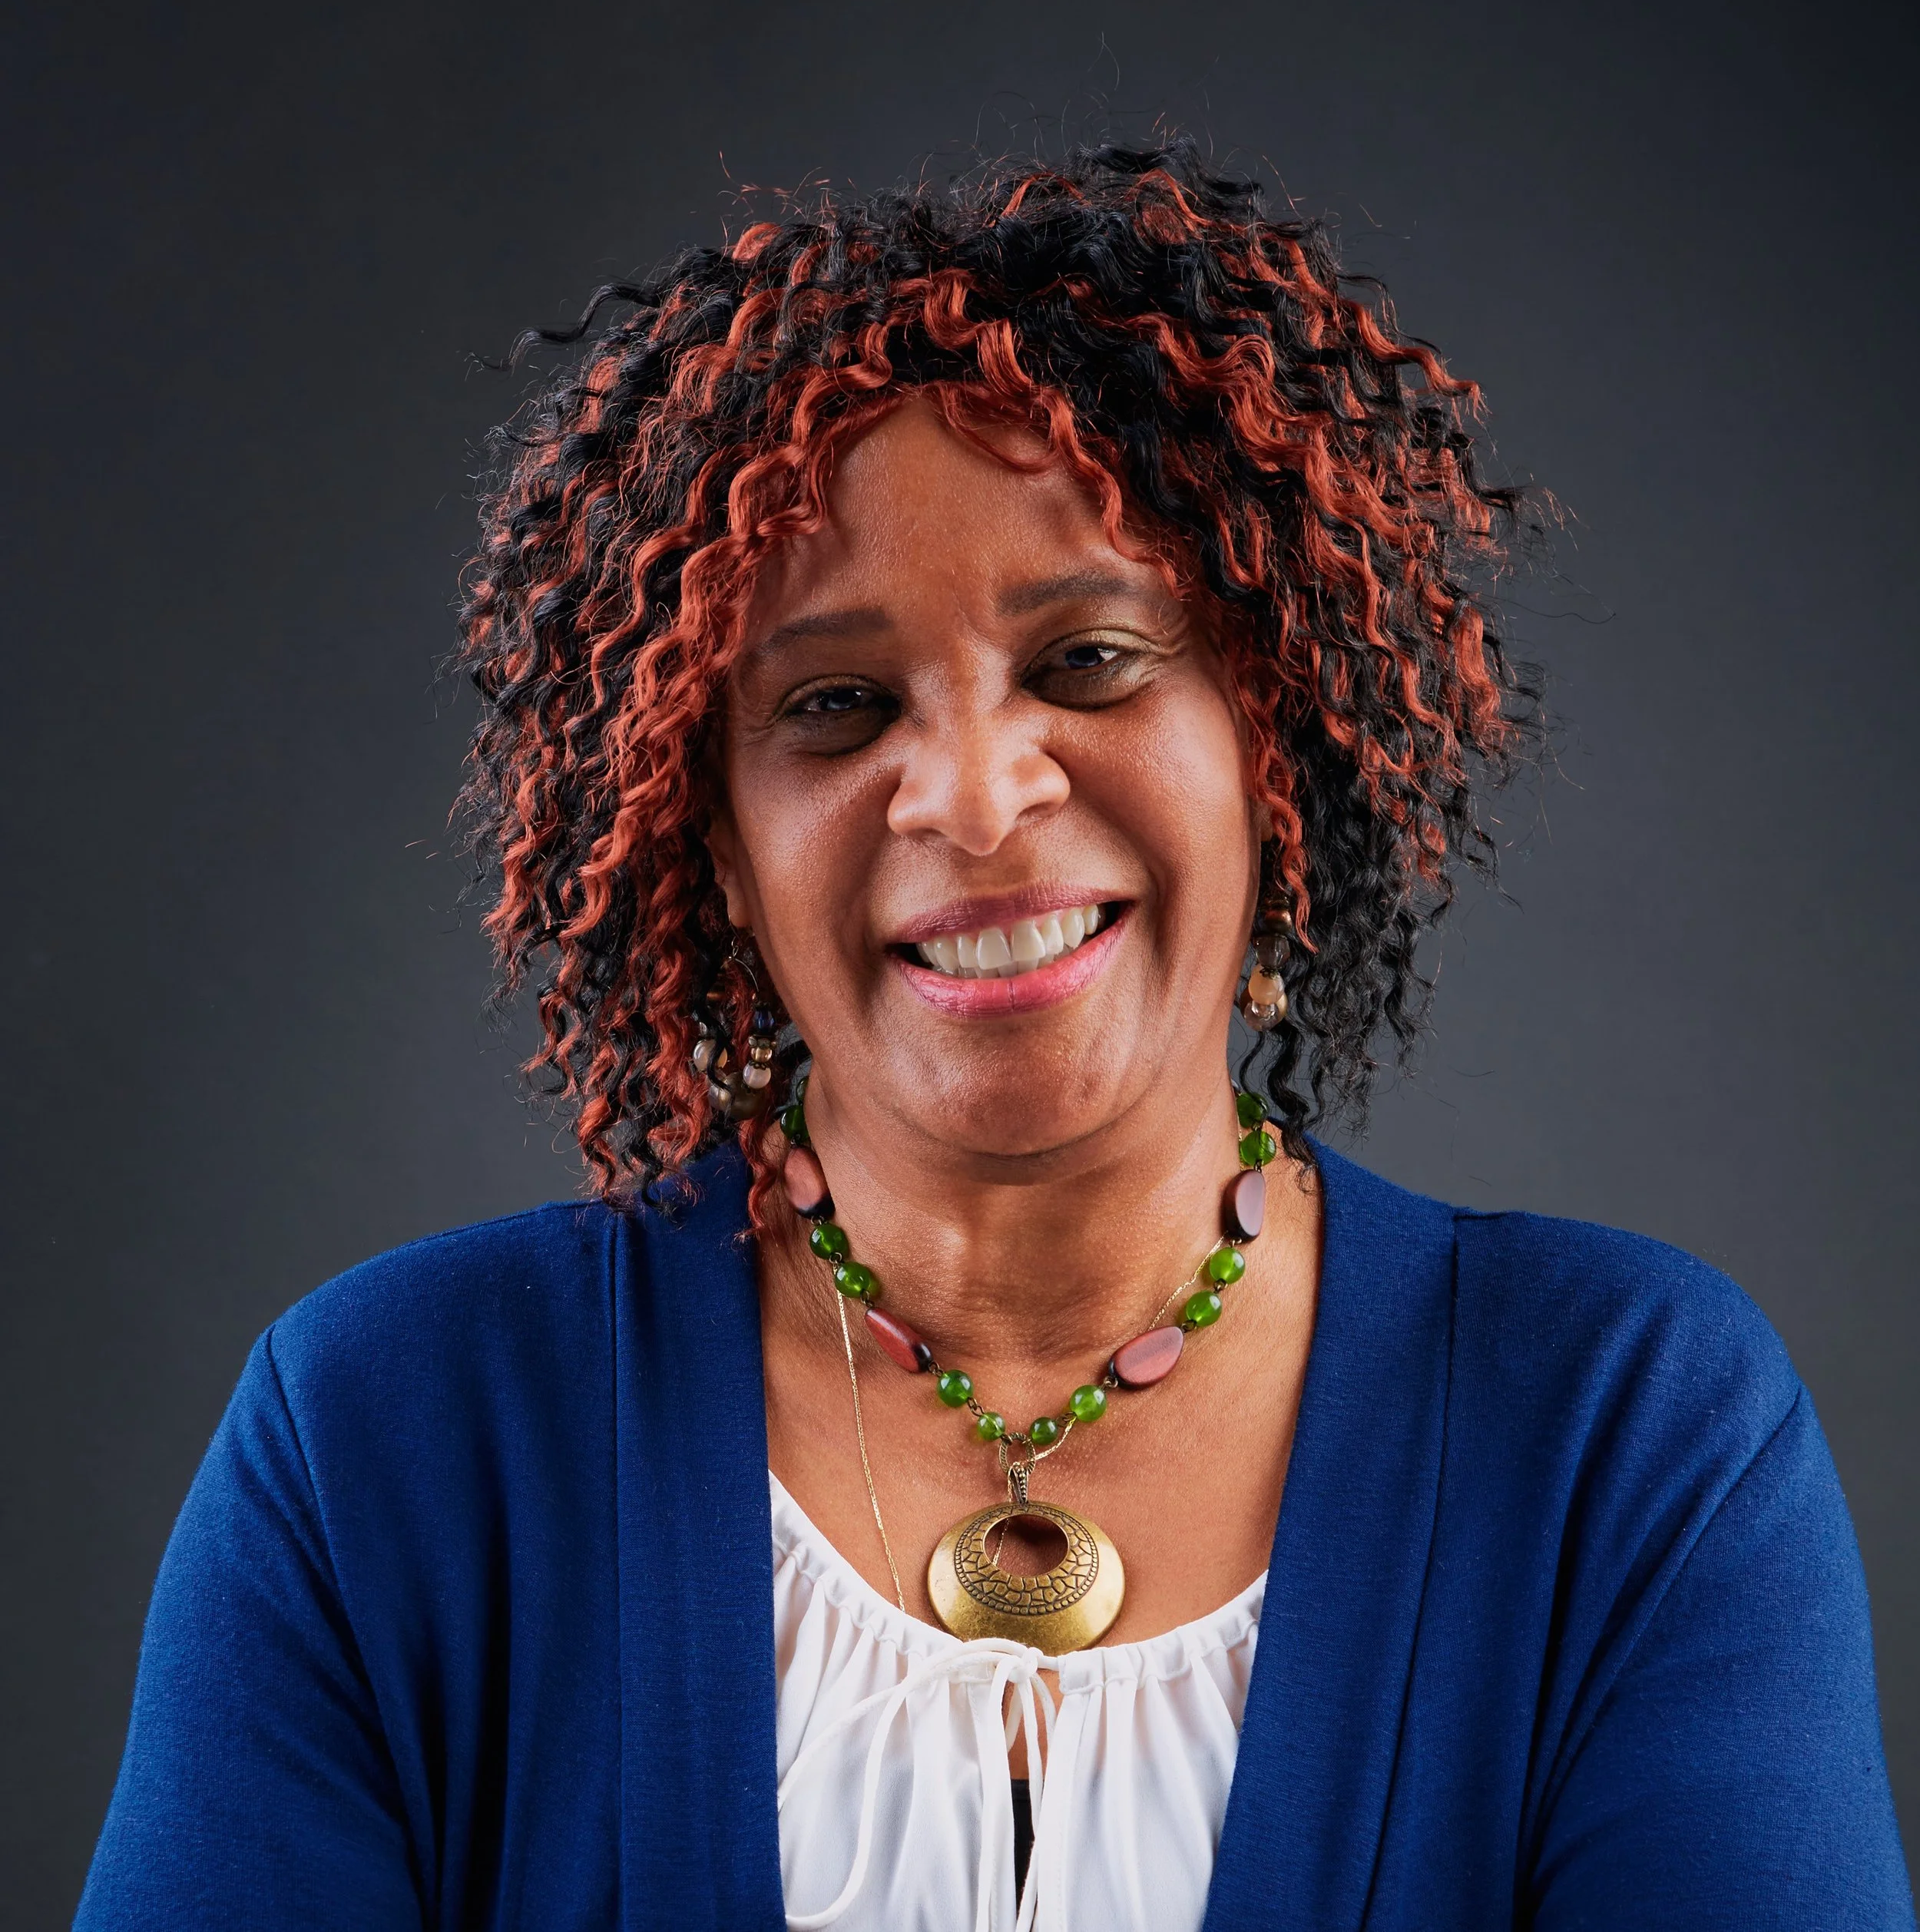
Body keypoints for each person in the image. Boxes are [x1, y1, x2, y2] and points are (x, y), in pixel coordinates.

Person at [77, 143, 1912, 1931]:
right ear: (711, 838)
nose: (967, 791)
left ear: (1264, 740)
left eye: (1091, 659)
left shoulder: (1628, 1438)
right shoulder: (382, 1438)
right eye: (838, 702)